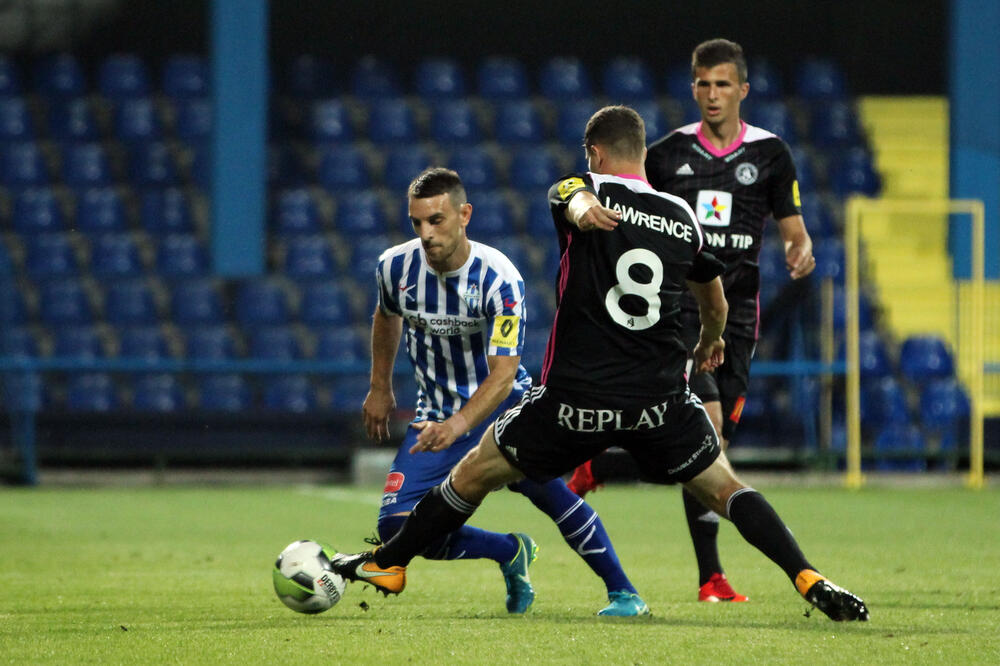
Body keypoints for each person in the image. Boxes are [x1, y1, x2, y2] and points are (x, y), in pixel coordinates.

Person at [329, 107, 868, 623]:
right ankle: (808, 576)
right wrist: (711, 341)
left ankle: (389, 563)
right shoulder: (681, 217)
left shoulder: (581, 188)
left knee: (473, 473)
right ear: (642, 154)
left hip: (575, 400)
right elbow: (716, 301)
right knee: (727, 489)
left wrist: (583, 206)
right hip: (657, 402)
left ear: (595, 153)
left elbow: (572, 195)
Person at [567, 38, 817, 604]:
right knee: (706, 430)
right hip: (682, 311)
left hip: (739, 316)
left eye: (723, 84)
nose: (712, 94)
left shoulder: (771, 153)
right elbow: (632, 212)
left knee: (712, 443)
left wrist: (798, 249)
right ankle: (711, 577)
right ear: (694, 88)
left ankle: (603, 460)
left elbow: (793, 227)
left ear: (742, 90)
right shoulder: (667, 154)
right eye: (703, 84)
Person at [357, 166, 648, 616]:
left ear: (464, 215)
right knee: (398, 533)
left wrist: (459, 425)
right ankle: (509, 551)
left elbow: (503, 375)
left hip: (505, 409)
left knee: (548, 493)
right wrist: (379, 386)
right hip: (436, 417)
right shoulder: (395, 266)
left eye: (436, 220)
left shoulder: (499, 278)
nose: (426, 234)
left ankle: (624, 592)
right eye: (417, 222)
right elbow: (386, 315)